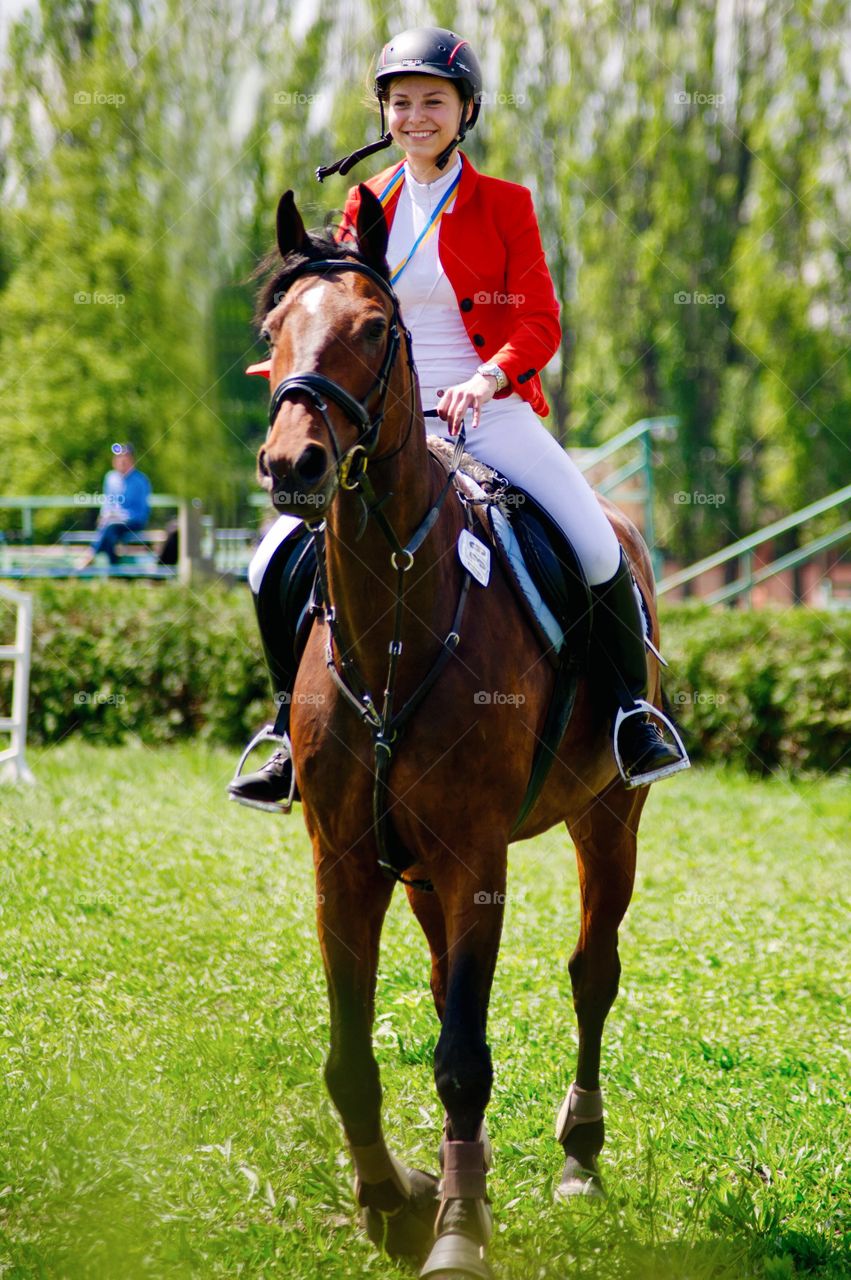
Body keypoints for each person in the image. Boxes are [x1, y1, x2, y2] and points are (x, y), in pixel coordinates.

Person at [228, 26, 685, 810]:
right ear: (385, 114)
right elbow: (340, 315)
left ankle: (629, 717)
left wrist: (487, 376)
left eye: (431, 102)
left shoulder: (505, 205)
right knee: (269, 559)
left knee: (595, 542)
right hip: (380, 419)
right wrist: (297, 377)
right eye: (400, 103)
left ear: (463, 110)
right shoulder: (365, 204)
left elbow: (538, 320)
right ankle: (288, 731)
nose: (414, 117)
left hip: (489, 410)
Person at [78, 442, 151, 568]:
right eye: (118, 457)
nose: (121, 461)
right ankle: (114, 567)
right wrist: (105, 514)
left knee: (110, 527)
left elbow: (141, 511)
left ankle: (91, 554)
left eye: (125, 457)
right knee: (109, 529)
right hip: (112, 523)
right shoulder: (110, 478)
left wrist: (119, 516)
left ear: (132, 460)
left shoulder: (141, 480)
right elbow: (108, 502)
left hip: (133, 522)